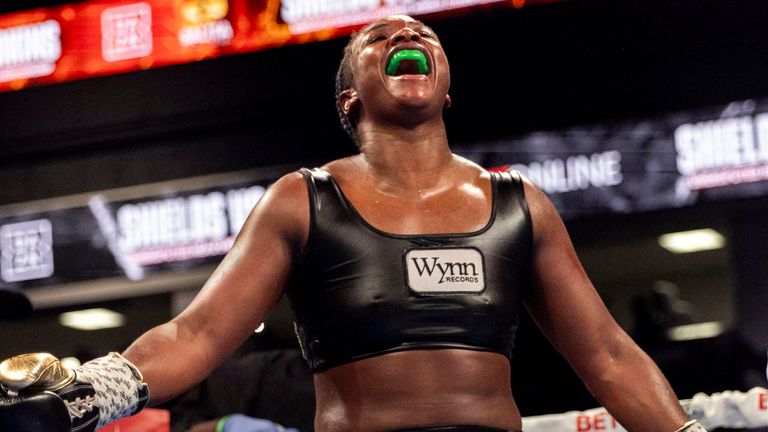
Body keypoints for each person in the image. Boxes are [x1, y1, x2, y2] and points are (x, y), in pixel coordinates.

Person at [0, 15, 707, 432]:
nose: (405, 31)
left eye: (422, 32)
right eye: (378, 37)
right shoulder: (302, 200)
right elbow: (196, 334)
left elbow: (608, 357)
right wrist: (88, 394)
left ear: (446, 87)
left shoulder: (520, 201)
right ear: (350, 99)